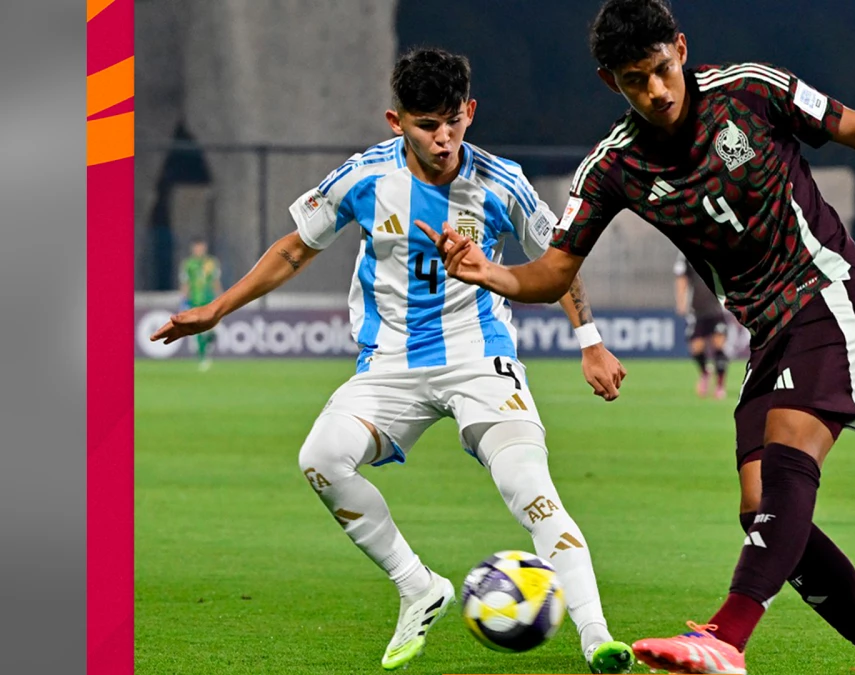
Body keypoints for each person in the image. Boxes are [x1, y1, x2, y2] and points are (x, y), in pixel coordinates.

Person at [419, 2, 855, 673]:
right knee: (763, 510)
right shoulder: (613, 169)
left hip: (830, 296)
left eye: (662, 69)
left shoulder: (751, 92)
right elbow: (552, 274)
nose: (656, 90)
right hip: (768, 333)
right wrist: (489, 271)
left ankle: (725, 635)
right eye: (636, 80)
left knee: (785, 461)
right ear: (613, 83)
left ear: (681, 49)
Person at [150, 48, 635, 674]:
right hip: (389, 365)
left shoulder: (502, 181)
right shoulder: (362, 179)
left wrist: (589, 339)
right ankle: (417, 585)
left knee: (530, 489)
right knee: (321, 460)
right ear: (394, 119)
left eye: (454, 121)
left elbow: (559, 263)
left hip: (478, 357)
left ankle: (597, 638)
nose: (443, 137)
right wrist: (216, 309)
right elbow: (295, 251)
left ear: (471, 112)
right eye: (426, 124)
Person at [675, 252, 730, 398]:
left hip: (717, 308)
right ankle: (705, 372)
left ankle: (719, 385)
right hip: (697, 309)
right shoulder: (685, 252)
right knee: (696, 347)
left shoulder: (718, 246)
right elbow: (681, 277)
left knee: (718, 345)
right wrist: (681, 301)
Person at [178, 237, 222, 371]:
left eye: (201, 247)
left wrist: (221, 295)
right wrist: (183, 300)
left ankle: (211, 338)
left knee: (212, 329)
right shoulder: (188, 264)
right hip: (195, 300)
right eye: (196, 247)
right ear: (193, 248)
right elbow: (185, 283)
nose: (199, 250)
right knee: (198, 330)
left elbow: (215, 281)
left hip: (209, 299)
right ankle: (203, 358)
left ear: (205, 248)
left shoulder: (211, 262)